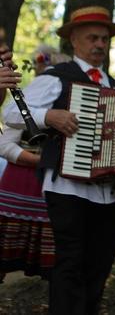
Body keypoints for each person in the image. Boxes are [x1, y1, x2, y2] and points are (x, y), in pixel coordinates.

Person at [2, 7, 115, 315]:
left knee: (99, 267)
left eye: (104, 39)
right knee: (69, 263)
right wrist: (49, 116)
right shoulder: (56, 78)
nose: (100, 44)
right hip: (67, 188)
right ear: (74, 40)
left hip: (110, 192)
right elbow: (9, 114)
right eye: (92, 38)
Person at [0, 46, 68, 280]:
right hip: (17, 186)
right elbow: (4, 145)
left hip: (48, 189)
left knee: (50, 266)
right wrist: (41, 160)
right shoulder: (25, 101)